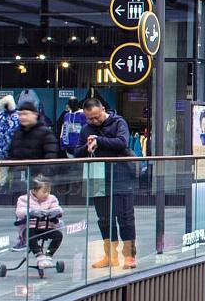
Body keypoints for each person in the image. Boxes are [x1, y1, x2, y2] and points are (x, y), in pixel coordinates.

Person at [70, 97, 137, 269]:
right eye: (89, 118)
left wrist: (99, 140)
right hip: (97, 176)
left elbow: (122, 142)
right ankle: (110, 255)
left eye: (96, 117)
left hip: (121, 175)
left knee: (125, 217)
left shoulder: (118, 122)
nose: (93, 121)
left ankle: (129, 255)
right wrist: (87, 146)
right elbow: (76, 152)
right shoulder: (86, 129)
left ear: (103, 110)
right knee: (104, 218)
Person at [15, 174, 63, 260]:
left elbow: (57, 208)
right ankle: (39, 255)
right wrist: (31, 212)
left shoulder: (51, 198)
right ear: (34, 191)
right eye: (44, 192)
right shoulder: (24, 199)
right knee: (30, 235)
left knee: (58, 235)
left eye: (49, 191)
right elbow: (20, 212)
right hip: (30, 227)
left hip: (46, 226)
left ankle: (48, 255)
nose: (47, 194)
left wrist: (53, 212)